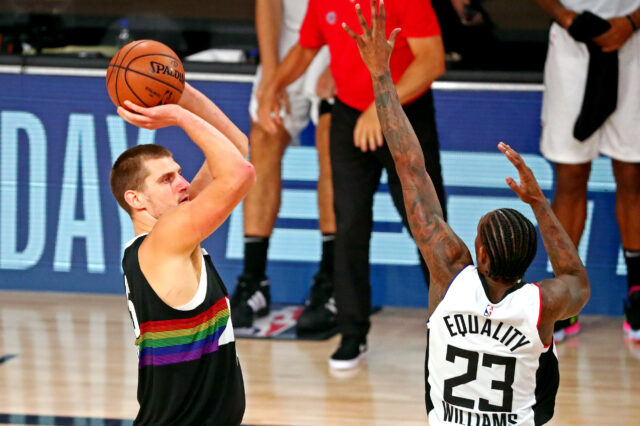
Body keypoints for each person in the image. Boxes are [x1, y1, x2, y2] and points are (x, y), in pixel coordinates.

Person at [344, 1, 590, 423]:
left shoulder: (450, 275)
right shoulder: (541, 304)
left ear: (479, 252)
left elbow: (411, 169)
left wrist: (381, 74)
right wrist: (540, 204)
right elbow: (576, 279)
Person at [258, 0, 447, 369]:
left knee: (429, 227)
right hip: (349, 115)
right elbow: (306, 47)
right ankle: (352, 334)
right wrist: (273, 85)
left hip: (405, 113)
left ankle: (451, 330)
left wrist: (382, 107)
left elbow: (431, 60)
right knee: (348, 226)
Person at [109, 83, 255, 425]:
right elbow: (240, 174)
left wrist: (176, 88)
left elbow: (235, 148)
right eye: (166, 180)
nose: (183, 183)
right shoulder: (164, 239)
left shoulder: (169, 235)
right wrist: (177, 114)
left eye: (179, 173)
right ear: (136, 200)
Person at [536, 0, 640, 341]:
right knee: (569, 176)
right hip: (572, 45)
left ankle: (638, 293)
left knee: (633, 176)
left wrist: (632, 21)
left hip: (634, 42)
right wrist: (566, 17)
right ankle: (564, 297)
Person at [231, 0, 338, 333]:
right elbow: (269, 5)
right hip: (291, 39)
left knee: (330, 138)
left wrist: (343, 61)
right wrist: (271, 75)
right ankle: (254, 280)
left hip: (342, 34)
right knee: (264, 136)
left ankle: (332, 282)